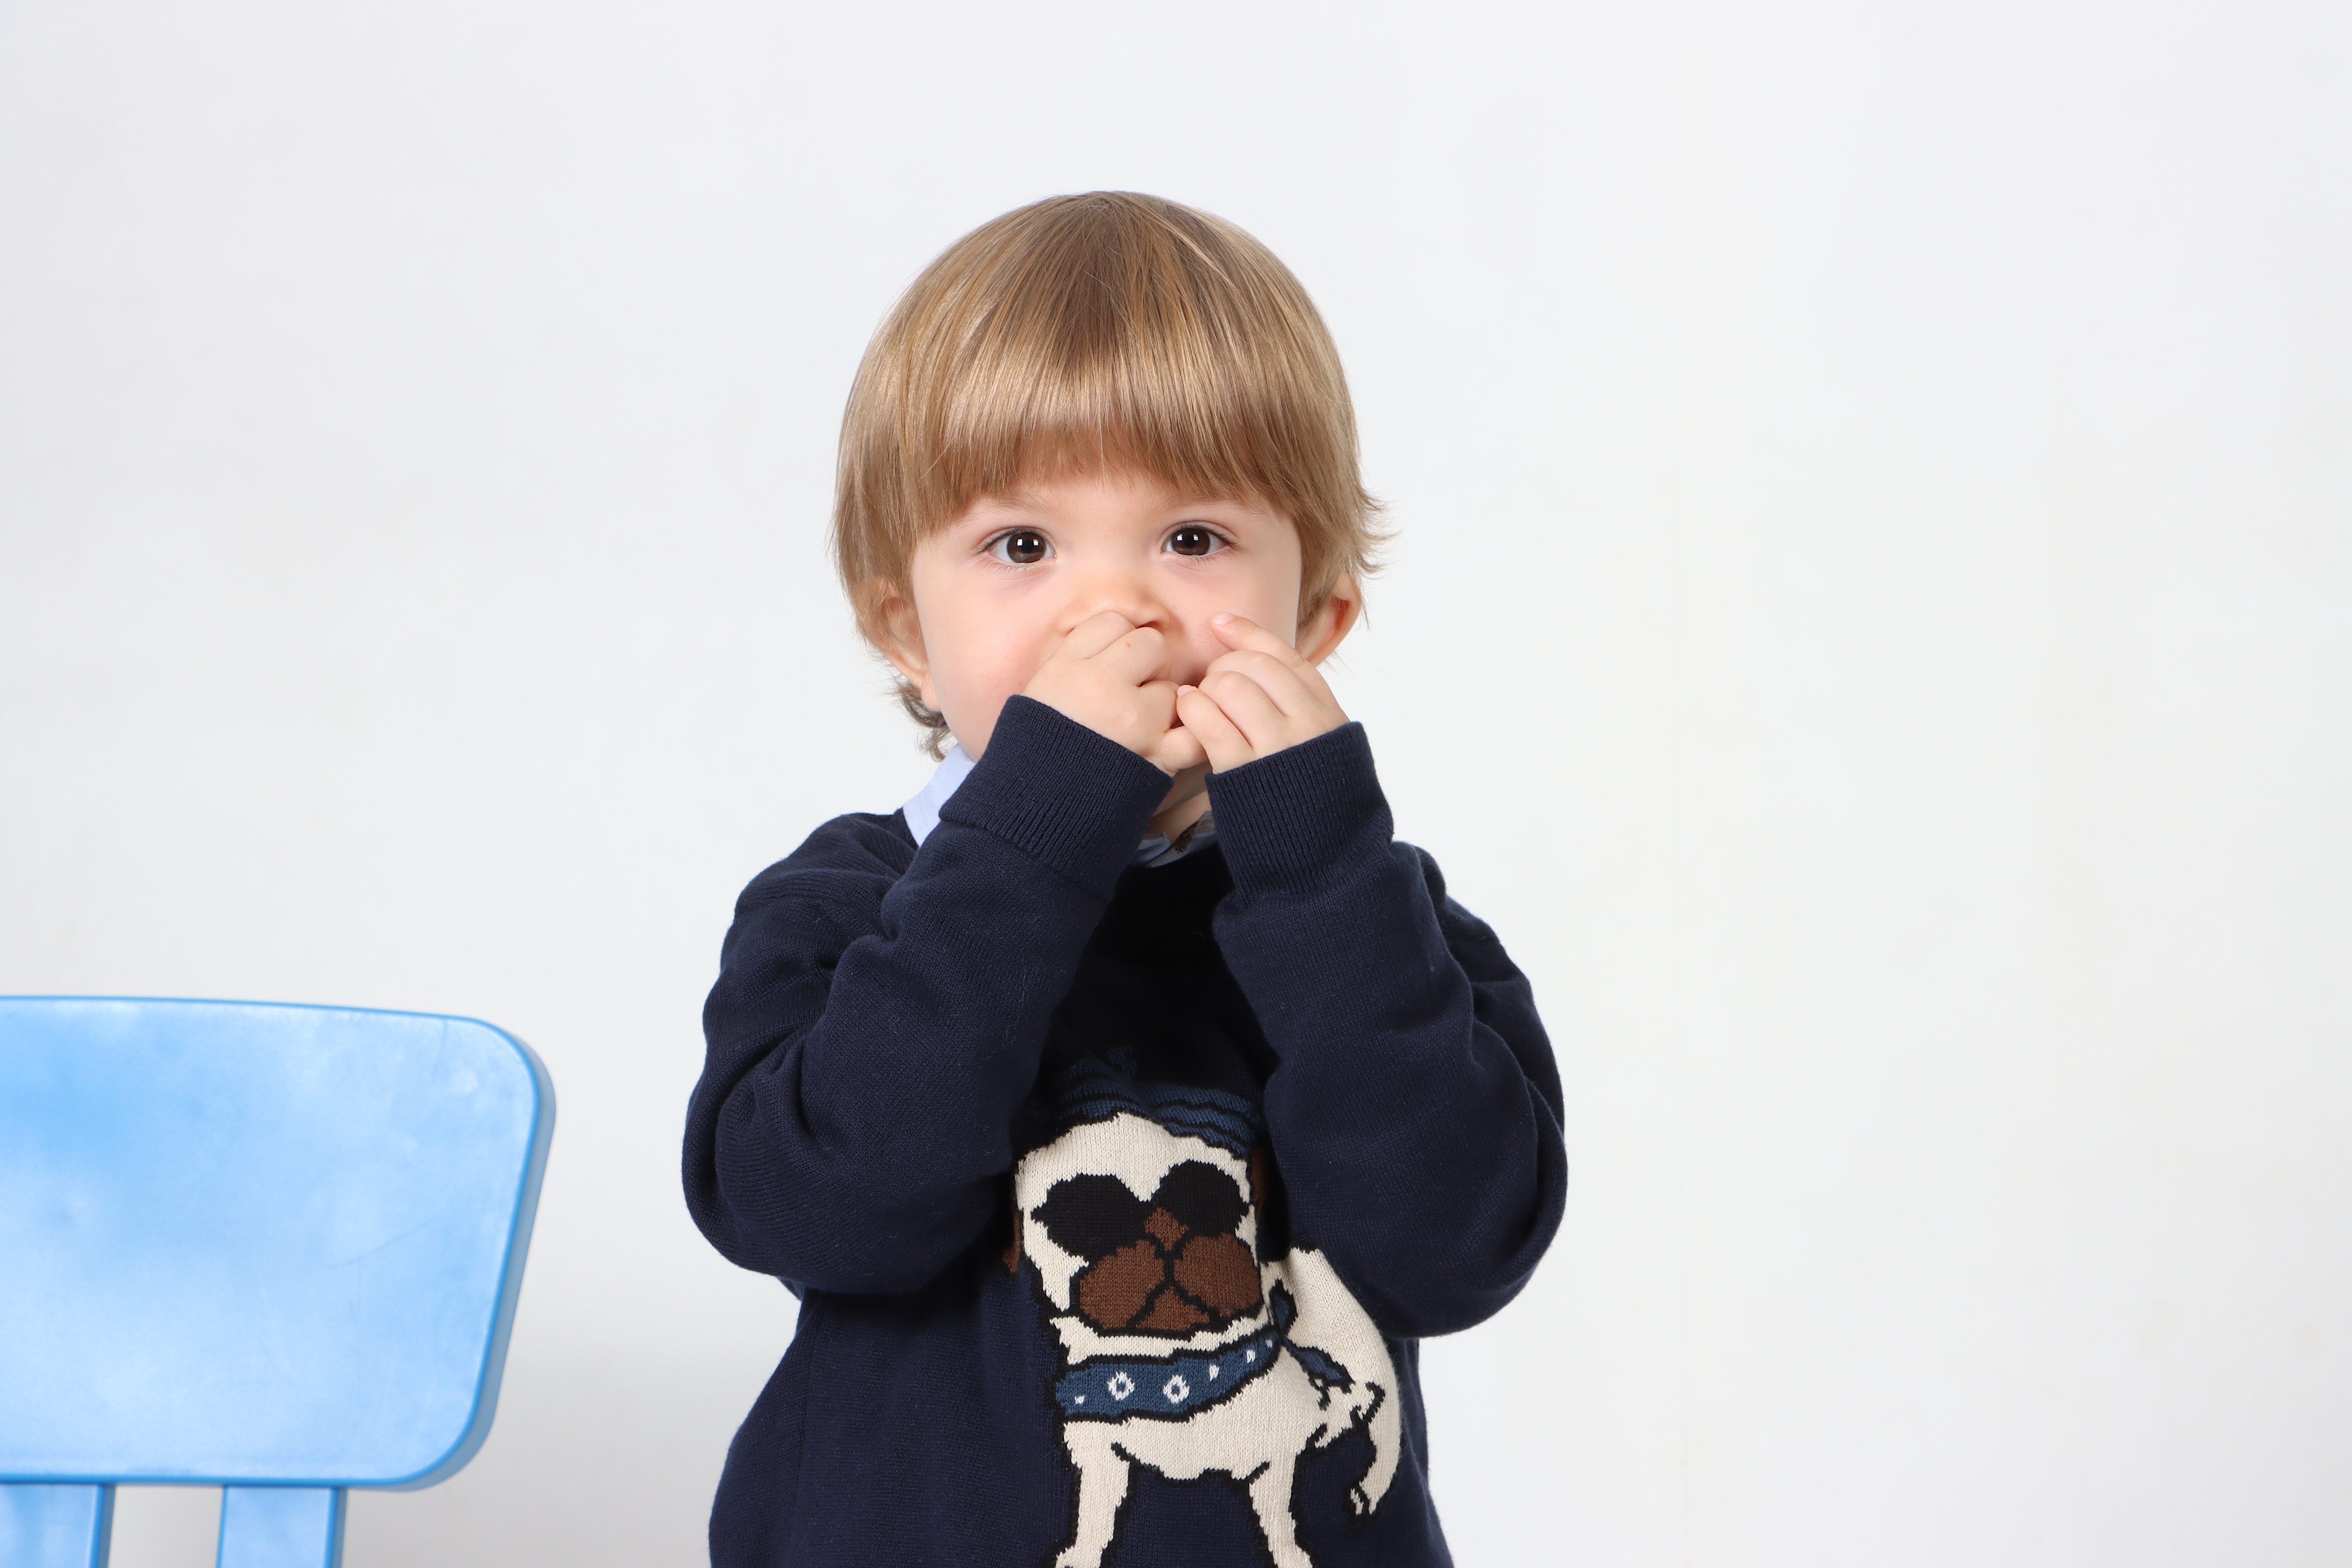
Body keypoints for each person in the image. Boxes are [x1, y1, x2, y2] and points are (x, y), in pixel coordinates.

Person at [682, 191, 1567, 1568]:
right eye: (1023, 547)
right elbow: (820, 1214)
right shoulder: (845, 905)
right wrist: (1034, 836)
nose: (1115, 610)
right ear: (906, 630)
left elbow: (1455, 1256)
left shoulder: (1382, 925)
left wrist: (1318, 868)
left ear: (1315, 618)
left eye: (1193, 539)